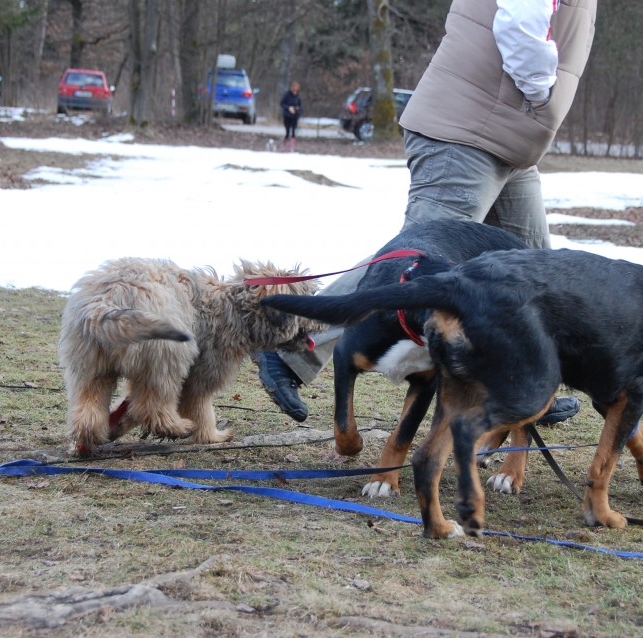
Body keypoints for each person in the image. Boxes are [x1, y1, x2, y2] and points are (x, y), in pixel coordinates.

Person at [256, 0, 597, 424]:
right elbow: (521, 20)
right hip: (469, 134)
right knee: (408, 268)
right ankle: (292, 351)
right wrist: (540, 93)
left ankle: (522, 384)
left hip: (506, 139)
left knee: (531, 268)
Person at [280, 81, 302, 151]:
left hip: (294, 117)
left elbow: (300, 106)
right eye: (294, 89)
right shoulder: (287, 95)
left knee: (293, 132)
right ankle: (283, 145)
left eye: (296, 89)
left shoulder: (298, 97)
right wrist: (288, 108)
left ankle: (292, 147)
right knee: (287, 132)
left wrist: (297, 110)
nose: (295, 91)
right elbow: (282, 104)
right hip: (287, 116)